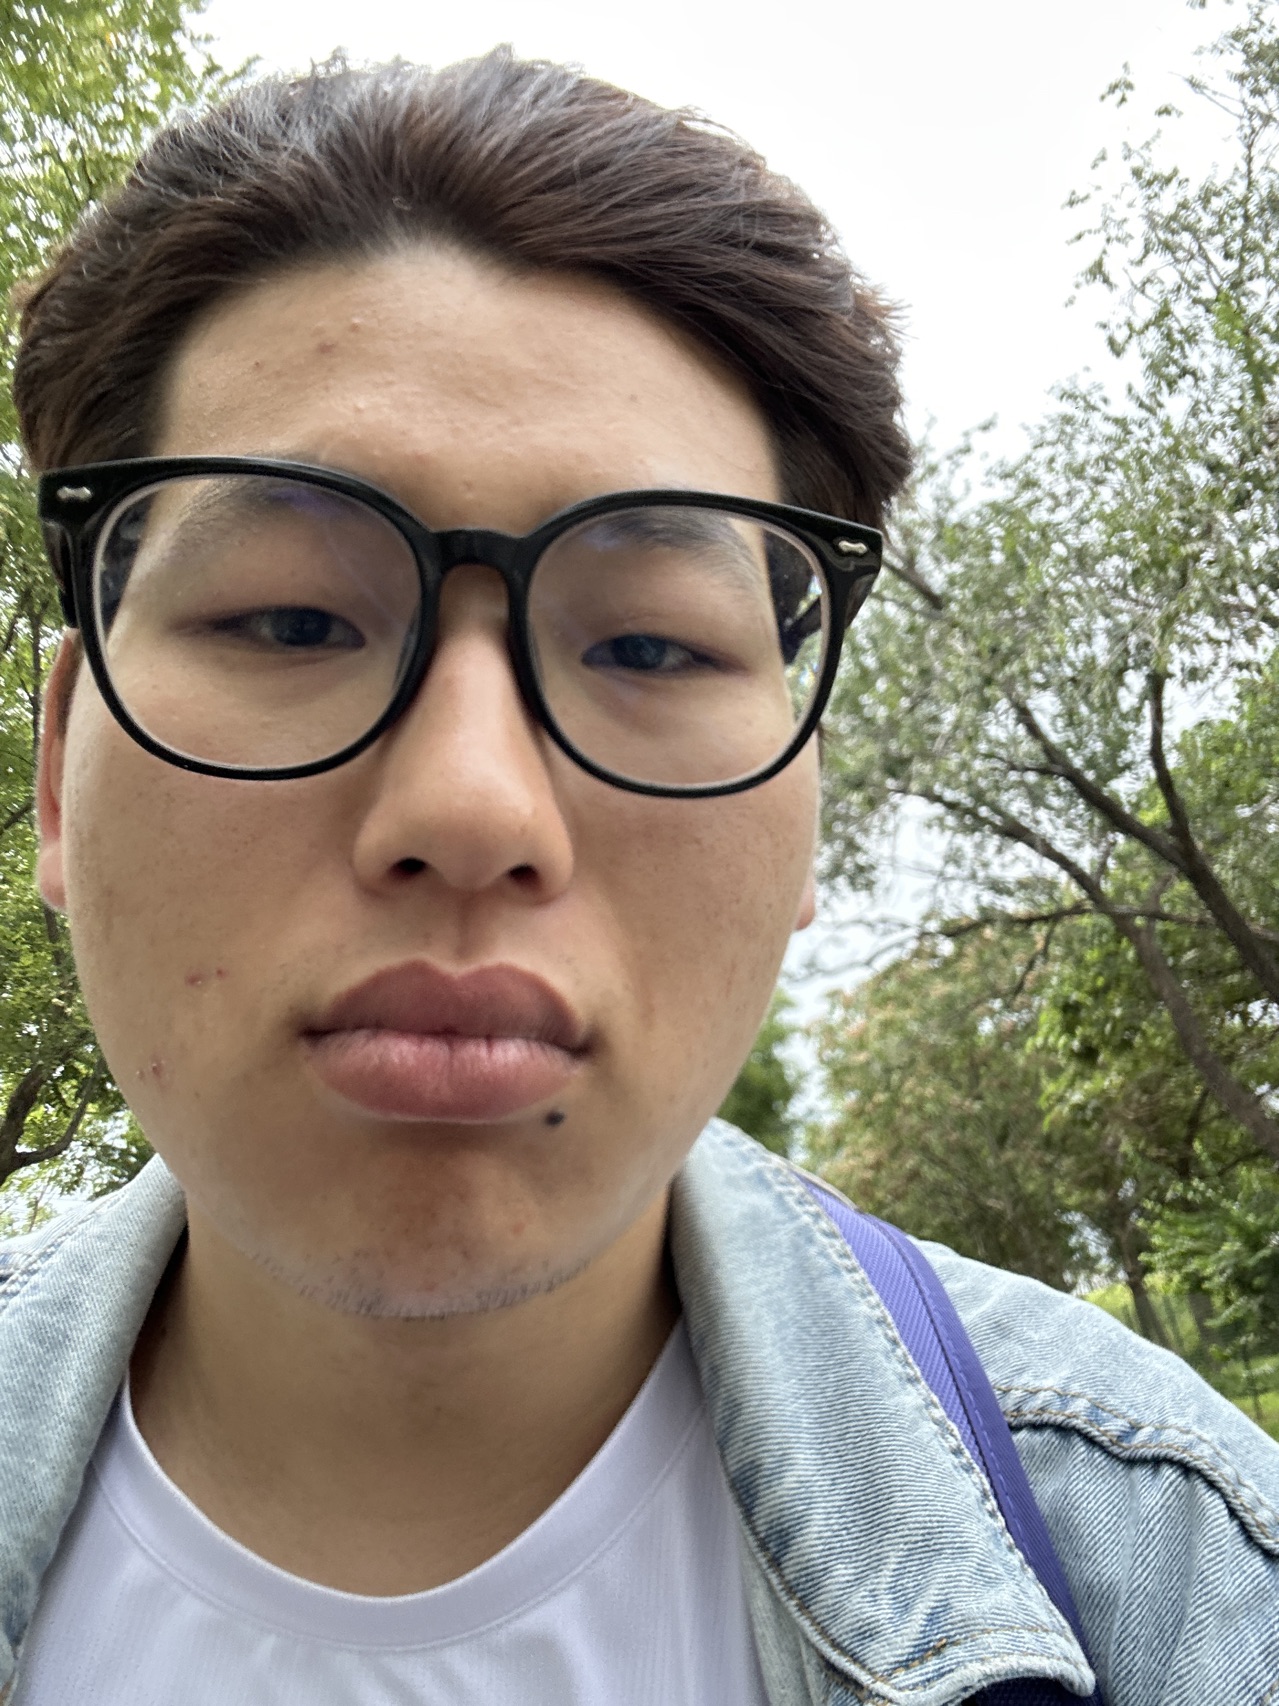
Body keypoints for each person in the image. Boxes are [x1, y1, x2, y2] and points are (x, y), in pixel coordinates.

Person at [0, 48, 1275, 1706]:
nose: (473, 805)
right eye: (292, 619)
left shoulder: (1181, 1578)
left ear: (806, 802)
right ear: (59, 773)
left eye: (653, 645)